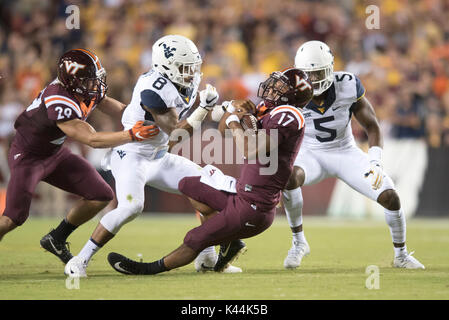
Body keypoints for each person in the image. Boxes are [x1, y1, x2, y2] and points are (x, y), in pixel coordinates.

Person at [105, 68, 314, 275]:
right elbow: (223, 131)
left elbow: (250, 150)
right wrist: (233, 113)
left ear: (293, 96)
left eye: (280, 88)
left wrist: (235, 121)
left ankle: (149, 269)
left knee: (195, 238)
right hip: (241, 194)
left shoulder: (290, 115)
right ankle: (230, 242)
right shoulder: (267, 109)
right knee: (189, 183)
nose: (272, 90)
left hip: (254, 206)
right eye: (275, 85)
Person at [64, 35, 240, 277]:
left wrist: (222, 110)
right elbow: (176, 132)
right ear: (166, 65)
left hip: (159, 156)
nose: (190, 73)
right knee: (131, 207)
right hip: (132, 155)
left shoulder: (182, 79)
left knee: (206, 191)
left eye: (192, 66)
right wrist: (204, 108)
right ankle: (80, 260)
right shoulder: (152, 90)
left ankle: (207, 256)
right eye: (184, 67)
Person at [0, 49, 158, 262]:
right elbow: (91, 139)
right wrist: (131, 135)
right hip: (28, 156)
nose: (95, 85)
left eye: (96, 79)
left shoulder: (82, 88)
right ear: (73, 80)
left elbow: (115, 108)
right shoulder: (58, 99)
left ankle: (57, 237)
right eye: (89, 80)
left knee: (101, 194)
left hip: (54, 152)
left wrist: (145, 116)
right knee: (13, 218)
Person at [281, 40, 425, 269]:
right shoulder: (290, 93)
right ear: (301, 74)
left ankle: (401, 255)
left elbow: (373, 126)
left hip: (344, 151)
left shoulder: (347, 84)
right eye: (311, 74)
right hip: (311, 153)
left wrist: (376, 162)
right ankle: (299, 242)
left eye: (320, 72)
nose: (316, 78)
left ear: (330, 67)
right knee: (289, 177)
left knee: (390, 196)